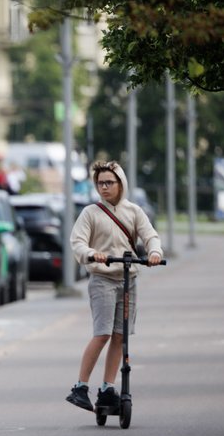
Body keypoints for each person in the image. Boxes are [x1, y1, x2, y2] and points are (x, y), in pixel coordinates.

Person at [65, 159, 163, 412]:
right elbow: (77, 242)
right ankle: (80, 387)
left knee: (121, 335)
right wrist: (92, 253)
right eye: (100, 183)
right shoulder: (90, 213)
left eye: (109, 182)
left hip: (128, 279)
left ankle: (108, 388)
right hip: (103, 280)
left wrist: (154, 252)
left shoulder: (134, 211)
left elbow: (150, 235)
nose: (104, 187)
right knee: (103, 333)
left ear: (121, 184)